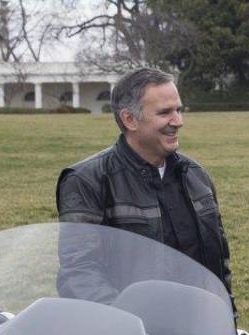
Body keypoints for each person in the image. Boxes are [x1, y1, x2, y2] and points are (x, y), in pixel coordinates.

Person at [56, 67, 232, 302]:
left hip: (199, 330)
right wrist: (129, 324)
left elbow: (219, 265)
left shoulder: (196, 175)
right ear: (129, 119)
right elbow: (79, 274)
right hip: (132, 332)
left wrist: (224, 322)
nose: (178, 121)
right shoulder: (87, 180)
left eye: (179, 110)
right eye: (165, 112)